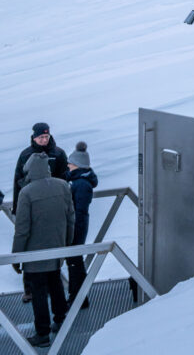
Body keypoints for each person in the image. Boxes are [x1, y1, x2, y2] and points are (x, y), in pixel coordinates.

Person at [12, 152, 74, 348]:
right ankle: (61, 320)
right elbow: (71, 218)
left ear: (30, 170)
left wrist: (16, 256)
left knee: (38, 292)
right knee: (55, 283)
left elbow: (22, 229)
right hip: (57, 248)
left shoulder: (27, 192)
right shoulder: (63, 186)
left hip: (34, 253)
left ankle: (43, 334)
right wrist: (66, 244)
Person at [12, 122, 68, 303]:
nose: (44, 140)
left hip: (53, 206)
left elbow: (65, 178)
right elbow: (17, 181)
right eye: (41, 137)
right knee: (29, 247)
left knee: (52, 246)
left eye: (46, 137)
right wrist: (16, 207)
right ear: (34, 137)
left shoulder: (58, 154)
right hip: (30, 206)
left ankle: (54, 287)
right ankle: (29, 289)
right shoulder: (26, 155)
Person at [65, 142, 98, 308]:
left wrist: (72, 228)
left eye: (69, 164)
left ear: (77, 165)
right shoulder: (79, 180)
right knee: (74, 261)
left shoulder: (81, 184)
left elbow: (79, 210)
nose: (67, 166)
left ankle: (79, 298)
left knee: (75, 261)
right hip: (77, 225)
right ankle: (76, 296)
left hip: (77, 227)